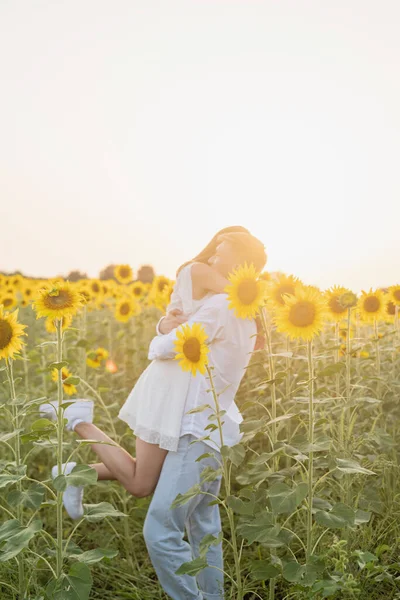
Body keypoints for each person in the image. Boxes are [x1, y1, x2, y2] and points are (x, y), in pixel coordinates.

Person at [39, 230, 267, 598]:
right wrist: (168, 325)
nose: (212, 255)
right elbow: (177, 340)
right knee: (176, 512)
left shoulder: (225, 304)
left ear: (240, 263)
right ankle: (77, 423)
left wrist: (163, 331)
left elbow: (166, 346)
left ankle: (76, 439)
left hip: (183, 404)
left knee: (150, 492)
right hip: (175, 400)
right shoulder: (225, 298)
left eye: (222, 251)